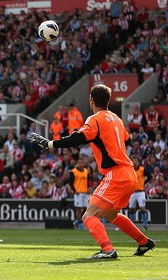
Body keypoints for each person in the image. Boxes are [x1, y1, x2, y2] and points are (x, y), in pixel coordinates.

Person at [29, 84, 155, 259]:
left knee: (88, 215)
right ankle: (143, 241)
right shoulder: (117, 118)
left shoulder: (95, 119)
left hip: (116, 173)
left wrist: (50, 144)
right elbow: (126, 136)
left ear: (92, 100)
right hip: (129, 173)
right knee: (111, 214)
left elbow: (78, 138)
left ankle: (107, 249)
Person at [68, 157, 89, 230]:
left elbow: (88, 181)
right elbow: (70, 182)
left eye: (82, 163)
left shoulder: (86, 171)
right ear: (77, 163)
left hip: (85, 192)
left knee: (86, 208)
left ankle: (78, 221)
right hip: (78, 193)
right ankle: (80, 224)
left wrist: (88, 188)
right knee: (78, 208)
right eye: (79, 163)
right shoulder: (73, 171)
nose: (81, 164)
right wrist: (74, 190)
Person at [128, 157, 149, 231]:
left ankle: (145, 226)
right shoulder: (130, 170)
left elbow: (150, 176)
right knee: (131, 209)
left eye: (136, 161)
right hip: (132, 192)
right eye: (133, 162)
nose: (135, 163)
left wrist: (144, 183)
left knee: (142, 208)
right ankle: (131, 226)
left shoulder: (142, 169)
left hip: (140, 192)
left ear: (138, 162)